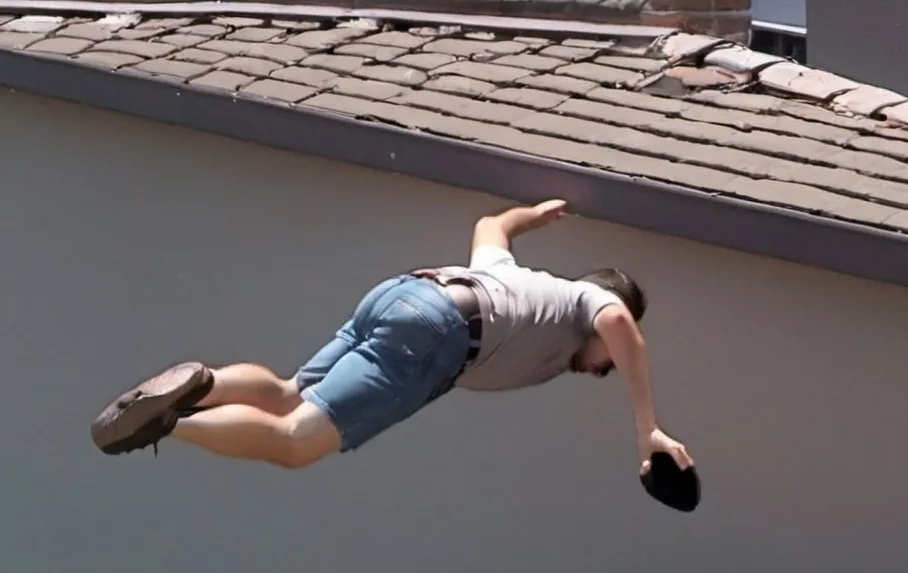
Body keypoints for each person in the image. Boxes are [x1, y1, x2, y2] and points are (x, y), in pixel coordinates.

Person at [90, 199, 693, 480]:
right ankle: (169, 422)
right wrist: (646, 425)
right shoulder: (586, 307)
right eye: (606, 365)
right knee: (294, 444)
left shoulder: (522, 283)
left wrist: (529, 216)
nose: (601, 368)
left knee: (283, 394)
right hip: (440, 334)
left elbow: (490, 226)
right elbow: (618, 323)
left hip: (404, 293)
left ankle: (206, 383)